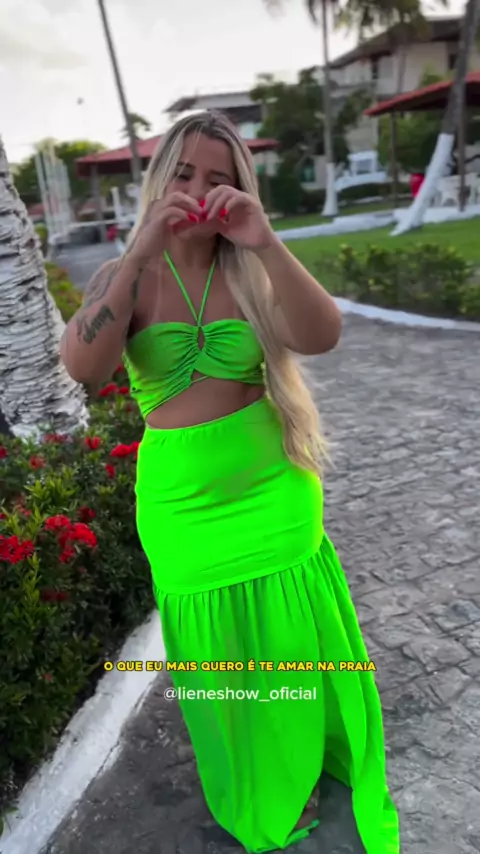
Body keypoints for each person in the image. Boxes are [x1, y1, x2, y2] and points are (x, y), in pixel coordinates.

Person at [60, 111, 399, 854]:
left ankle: (313, 760)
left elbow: (322, 335)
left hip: (273, 490)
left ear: (239, 189)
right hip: (182, 510)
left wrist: (265, 240)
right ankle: (259, 780)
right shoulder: (126, 276)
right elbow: (84, 368)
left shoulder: (248, 265)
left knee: (293, 643)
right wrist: (139, 250)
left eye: (219, 177)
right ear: (160, 179)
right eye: (184, 173)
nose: (198, 190)